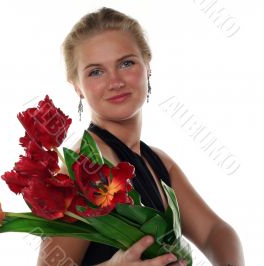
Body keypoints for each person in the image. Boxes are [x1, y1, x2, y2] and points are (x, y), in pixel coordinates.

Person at [37, 7, 244, 266]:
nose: (115, 82)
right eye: (96, 72)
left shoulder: (158, 161)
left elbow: (216, 232)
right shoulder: (82, 166)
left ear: (148, 67)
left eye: (126, 63)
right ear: (77, 85)